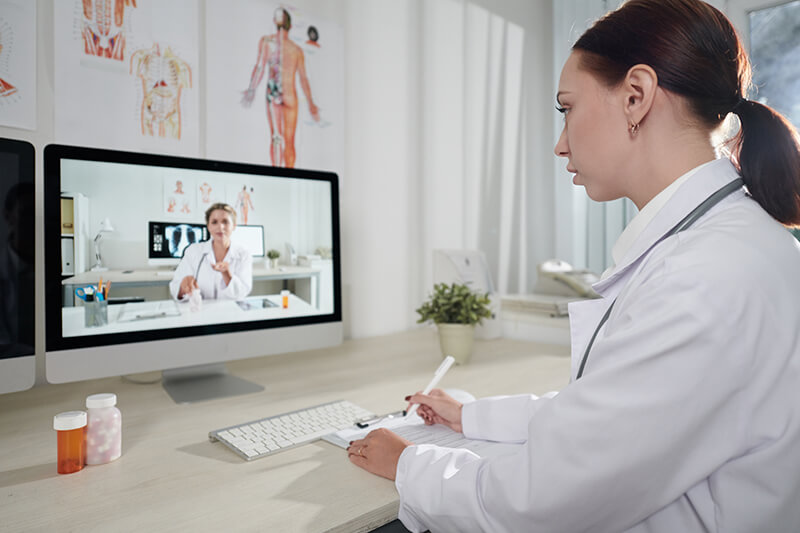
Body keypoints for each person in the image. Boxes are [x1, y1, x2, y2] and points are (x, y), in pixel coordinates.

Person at [346, 1, 800, 531]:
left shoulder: (704, 276)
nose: (561, 145)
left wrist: (407, 463)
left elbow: (540, 503)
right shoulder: (730, 243)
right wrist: (472, 415)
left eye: (567, 108)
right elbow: (615, 418)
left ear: (636, 96)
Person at [241, 7, 321, 168]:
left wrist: (251, 89)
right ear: (290, 26)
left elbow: (259, 68)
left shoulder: (267, 43)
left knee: (277, 138)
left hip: (273, 95)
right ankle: (287, 179)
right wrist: (311, 104)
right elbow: (303, 80)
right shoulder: (296, 50)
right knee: (288, 141)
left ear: (274, 22)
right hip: (290, 96)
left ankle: (279, 178)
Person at [169, 203, 252, 301]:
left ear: (234, 226)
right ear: (208, 226)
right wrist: (183, 288)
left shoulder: (243, 253)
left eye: (225, 222)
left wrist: (227, 275)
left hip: (231, 312)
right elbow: (175, 286)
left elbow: (243, 291)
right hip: (200, 312)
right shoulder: (193, 251)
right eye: (214, 222)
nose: (220, 227)